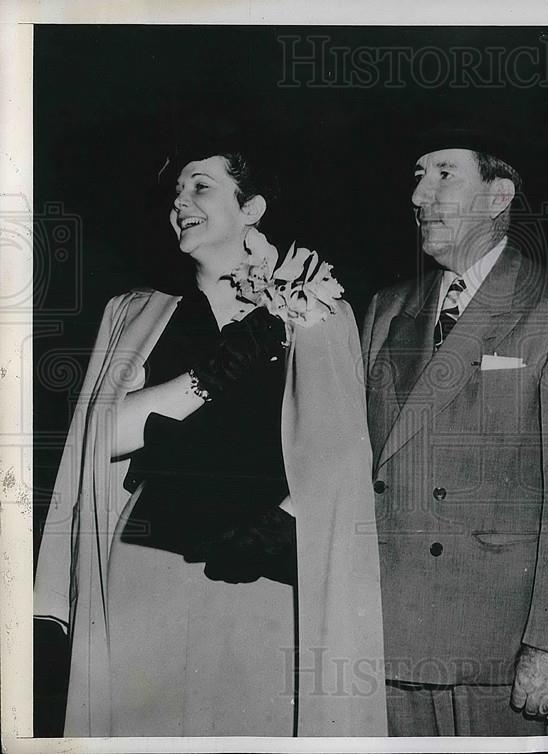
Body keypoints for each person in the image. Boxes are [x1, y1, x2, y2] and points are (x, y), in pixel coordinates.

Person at [33, 142, 387, 736]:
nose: (180, 204)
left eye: (200, 187)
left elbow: (341, 451)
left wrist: (280, 522)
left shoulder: (314, 307)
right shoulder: (139, 312)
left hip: (259, 573)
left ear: (252, 209)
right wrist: (210, 375)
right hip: (146, 565)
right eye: (174, 195)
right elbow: (105, 436)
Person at [360, 123, 548, 735]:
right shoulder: (386, 309)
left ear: (499, 197)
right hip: (383, 632)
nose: (419, 195)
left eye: (444, 174)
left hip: (495, 647)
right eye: (418, 175)